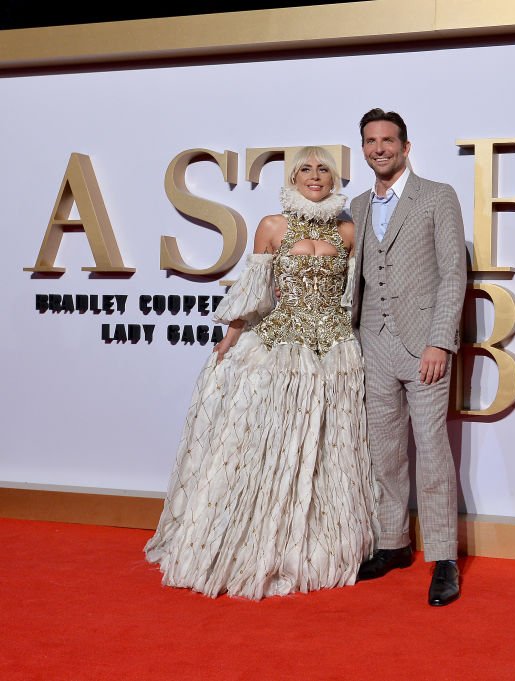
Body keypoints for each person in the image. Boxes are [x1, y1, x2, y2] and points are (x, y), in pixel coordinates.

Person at [144, 147, 377, 600]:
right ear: (292, 178)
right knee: (271, 443)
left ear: (333, 179)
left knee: (328, 450)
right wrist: (230, 338)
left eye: (323, 170)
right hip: (280, 350)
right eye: (305, 169)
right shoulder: (272, 226)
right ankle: (253, 543)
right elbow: (254, 293)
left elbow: (354, 298)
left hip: (334, 355)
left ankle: (317, 546)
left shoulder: (348, 231)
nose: (314, 176)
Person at [349, 109, 467, 606]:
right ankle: (393, 543)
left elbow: (453, 275)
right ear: (363, 148)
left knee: (433, 451)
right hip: (371, 343)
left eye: (388, 140)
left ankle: (444, 557)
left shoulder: (437, 196)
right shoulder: (354, 206)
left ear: (406, 146)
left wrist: (440, 341)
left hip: (424, 347)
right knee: (384, 451)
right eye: (371, 141)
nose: (380, 148)